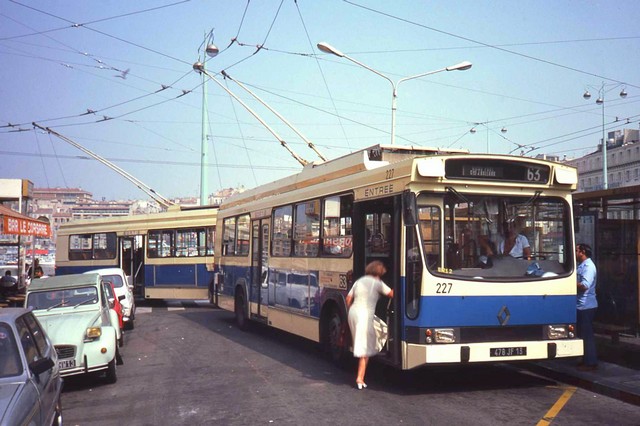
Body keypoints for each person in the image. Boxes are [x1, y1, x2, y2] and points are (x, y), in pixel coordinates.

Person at [345, 261, 394, 390]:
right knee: (365, 349)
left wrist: (351, 310)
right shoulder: (377, 283)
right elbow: (392, 294)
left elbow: (348, 299)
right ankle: (359, 378)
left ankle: (361, 375)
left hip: (353, 313)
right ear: (379, 273)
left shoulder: (360, 281)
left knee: (377, 331)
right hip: (364, 316)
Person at [576, 243, 598, 370]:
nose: (575, 253)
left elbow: (584, 285)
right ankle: (585, 359)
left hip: (586, 306)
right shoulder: (581, 266)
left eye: (577, 250)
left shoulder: (589, 267)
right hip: (580, 305)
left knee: (587, 334)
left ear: (582, 252)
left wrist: (569, 284)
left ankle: (591, 362)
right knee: (582, 333)